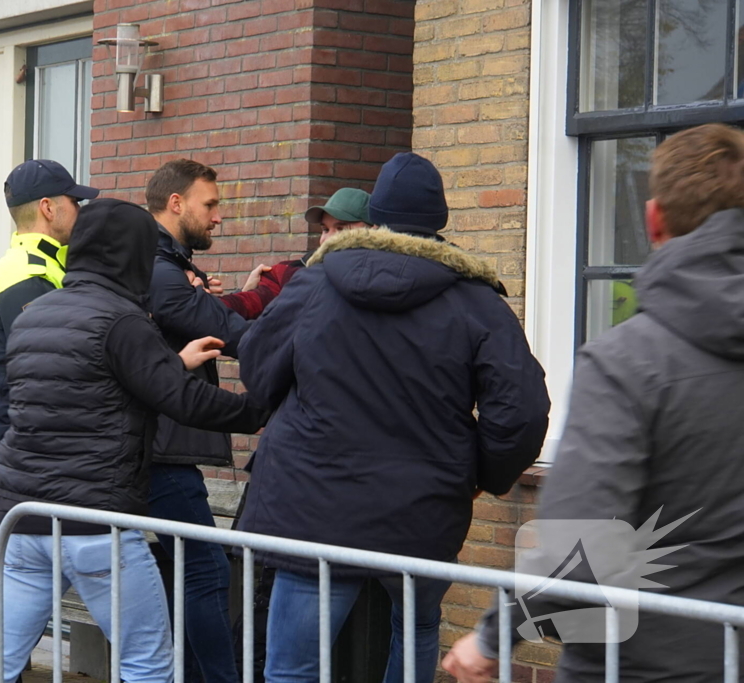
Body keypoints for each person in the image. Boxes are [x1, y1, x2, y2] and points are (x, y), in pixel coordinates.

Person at [444, 124, 744, 681]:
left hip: (641, 665)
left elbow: (579, 545)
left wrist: (493, 636)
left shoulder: (628, 362)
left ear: (654, 220)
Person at [236, 152, 551, 683]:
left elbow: (259, 368)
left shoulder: (315, 284)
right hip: (422, 509)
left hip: (315, 509)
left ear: (375, 215)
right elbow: (522, 410)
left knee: (293, 670)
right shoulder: (477, 301)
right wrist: (483, 475)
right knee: (416, 629)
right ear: (439, 221)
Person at [0, 198, 268, 683]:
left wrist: (171, 362)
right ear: (130, 256)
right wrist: (261, 410)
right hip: (94, 526)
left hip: (22, 522)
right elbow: (184, 402)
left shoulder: (33, 317)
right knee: (145, 663)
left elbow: (87, 385)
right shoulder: (122, 322)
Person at [0, 159, 98, 683]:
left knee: (5, 613)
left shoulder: (43, 267)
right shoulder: (26, 276)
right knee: (3, 617)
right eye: (74, 202)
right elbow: (64, 360)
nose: (81, 210)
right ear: (49, 208)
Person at [145, 159, 272, 683]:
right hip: (162, 450)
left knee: (183, 573)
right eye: (211, 204)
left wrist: (221, 296)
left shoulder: (166, 267)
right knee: (205, 570)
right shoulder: (160, 272)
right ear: (177, 204)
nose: (218, 216)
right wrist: (269, 305)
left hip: (162, 446)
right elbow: (221, 329)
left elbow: (201, 316)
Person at [218, 187, 373, 320]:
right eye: (325, 229)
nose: (328, 239)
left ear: (373, 231)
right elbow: (246, 303)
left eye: (341, 229)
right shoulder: (290, 273)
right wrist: (200, 303)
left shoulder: (385, 278)